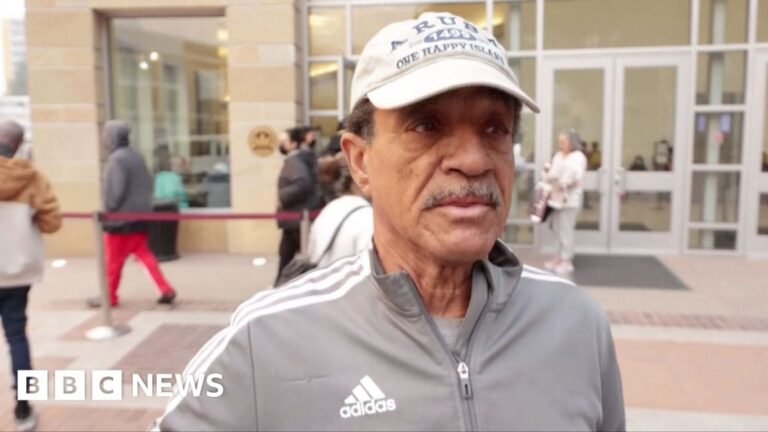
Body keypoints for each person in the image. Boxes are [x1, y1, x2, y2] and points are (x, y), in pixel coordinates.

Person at [154, 12, 624, 431]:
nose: (473, 159)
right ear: (360, 162)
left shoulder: (576, 324)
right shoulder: (267, 340)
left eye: (494, 128)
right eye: (426, 126)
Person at [0, 120, 61, 432]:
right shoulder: (33, 178)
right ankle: (23, 409)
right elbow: (52, 223)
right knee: (17, 338)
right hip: (18, 272)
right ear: (18, 144)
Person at [95, 120, 177, 307]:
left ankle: (109, 296)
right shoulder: (136, 156)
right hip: (140, 217)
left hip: (120, 220)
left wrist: (109, 211)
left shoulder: (117, 159)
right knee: (144, 256)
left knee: (113, 262)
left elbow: (114, 193)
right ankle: (164, 288)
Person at [307, 153, 373, 268]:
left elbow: (312, 254)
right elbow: (369, 268)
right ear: (361, 175)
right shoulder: (366, 217)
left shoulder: (327, 211)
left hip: (323, 277)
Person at [274, 128, 320, 284]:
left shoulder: (295, 161)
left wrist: (282, 197)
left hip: (296, 217)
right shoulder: (299, 159)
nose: (280, 145)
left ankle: (280, 286)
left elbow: (303, 183)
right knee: (288, 255)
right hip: (297, 217)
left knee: (287, 256)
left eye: (284, 142)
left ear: (293, 144)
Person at [543, 129, 588, 275]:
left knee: (565, 230)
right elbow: (552, 173)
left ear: (571, 142)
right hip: (555, 198)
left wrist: (565, 183)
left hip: (570, 199)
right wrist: (548, 174)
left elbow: (576, 177)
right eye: (559, 141)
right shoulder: (558, 156)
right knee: (556, 228)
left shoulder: (578, 157)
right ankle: (557, 257)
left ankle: (566, 260)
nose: (560, 144)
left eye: (563, 141)